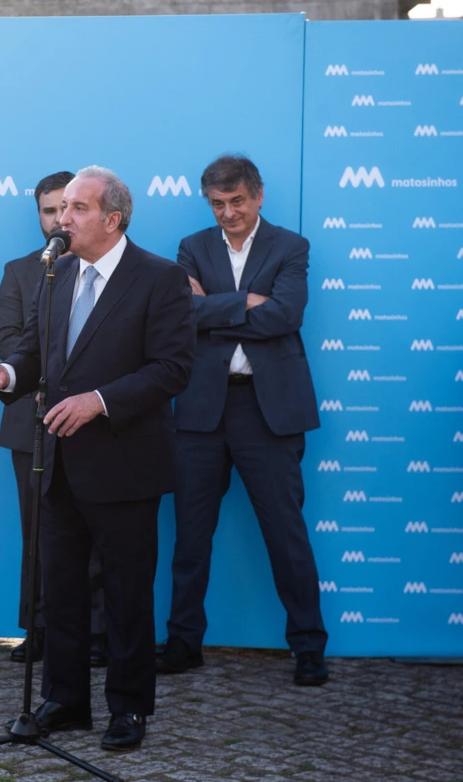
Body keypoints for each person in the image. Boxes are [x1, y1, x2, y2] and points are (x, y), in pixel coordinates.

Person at [0, 166, 194, 751]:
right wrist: (9, 375)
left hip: (125, 463)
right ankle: (66, 700)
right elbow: (35, 351)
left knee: (124, 593)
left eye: (75, 209)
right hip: (60, 461)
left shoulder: (161, 278)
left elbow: (172, 369)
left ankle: (128, 709)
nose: (62, 219)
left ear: (111, 219)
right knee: (62, 587)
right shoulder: (56, 272)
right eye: (61, 208)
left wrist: (99, 402)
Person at [161, 154, 328, 686]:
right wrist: (247, 304)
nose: (228, 213)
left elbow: (286, 315)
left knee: (286, 535)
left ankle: (308, 647)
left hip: (268, 410)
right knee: (190, 537)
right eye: (218, 204)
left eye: (236, 202)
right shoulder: (192, 247)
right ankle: (184, 642)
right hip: (202, 409)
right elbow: (182, 315)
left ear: (257, 196)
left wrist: (218, 308)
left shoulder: (291, 246)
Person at [0, 171, 107, 668]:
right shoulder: (21, 271)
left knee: (100, 534)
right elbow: (12, 343)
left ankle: (99, 633)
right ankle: (38, 629)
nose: (58, 218)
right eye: (48, 210)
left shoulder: (117, 271)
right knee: (37, 531)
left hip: (98, 423)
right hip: (32, 423)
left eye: (69, 207)